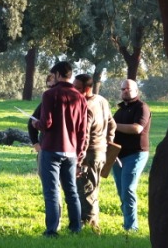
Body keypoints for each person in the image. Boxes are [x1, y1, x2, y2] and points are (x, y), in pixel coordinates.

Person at [31, 61, 88, 237]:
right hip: (71, 151)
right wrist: (80, 153)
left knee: (52, 191)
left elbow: (46, 123)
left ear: (57, 74)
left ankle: (52, 230)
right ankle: (75, 227)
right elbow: (83, 129)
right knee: (71, 190)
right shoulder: (80, 97)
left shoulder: (49, 94)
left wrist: (36, 123)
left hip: (51, 148)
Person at [73, 73, 116, 230]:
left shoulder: (86, 107)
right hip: (101, 153)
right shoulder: (102, 100)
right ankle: (89, 224)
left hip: (89, 155)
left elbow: (84, 137)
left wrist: (78, 161)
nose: (74, 91)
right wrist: (108, 144)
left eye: (77, 88)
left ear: (87, 88)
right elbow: (112, 124)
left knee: (86, 192)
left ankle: (90, 228)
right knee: (92, 190)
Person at [112, 79, 151, 232]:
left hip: (136, 154)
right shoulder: (120, 110)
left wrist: (113, 125)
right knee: (122, 191)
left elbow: (137, 129)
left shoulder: (142, 107)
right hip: (117, 156)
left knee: (128, 189)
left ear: (136, 90)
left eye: (128, 89)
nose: (125, 91)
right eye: (122, 89)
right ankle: (127, 223)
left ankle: (132, 227)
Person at [27, 73, 56, 174]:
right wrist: (35, 143)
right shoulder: (45, 102)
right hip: (46, 146)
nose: (50, 90)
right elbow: (32, 121)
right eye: (49, 86)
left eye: (52, 86)